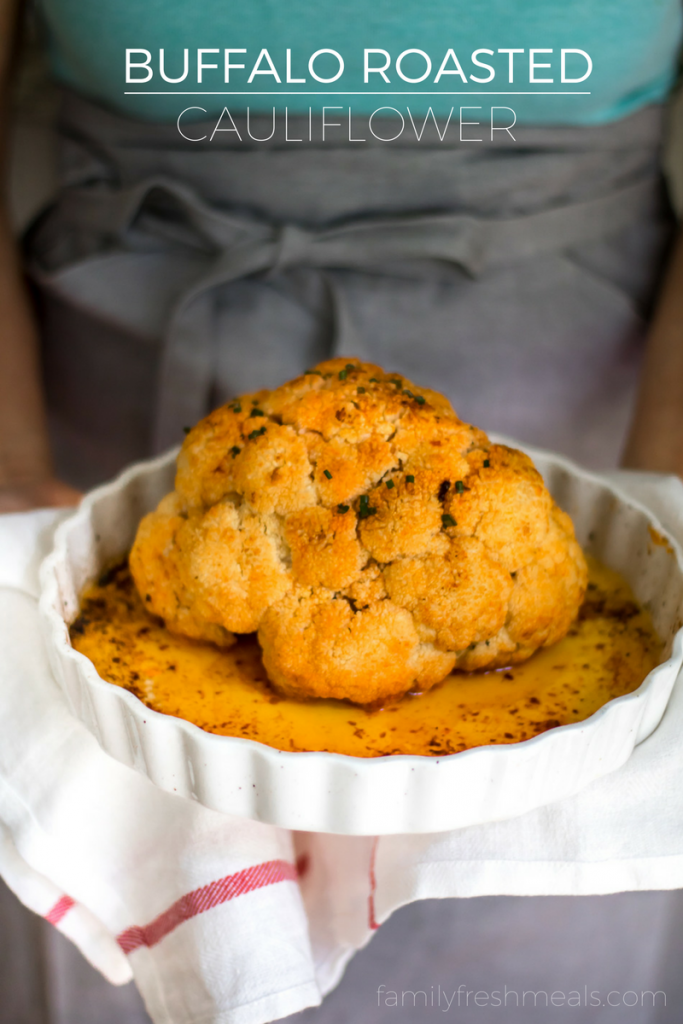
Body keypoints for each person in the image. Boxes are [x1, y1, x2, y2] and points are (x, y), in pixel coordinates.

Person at [0, 1, 683, 1022]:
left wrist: (664, 490)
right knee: (142, 927)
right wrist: (11, 478)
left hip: (586, 435)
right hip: (102, 437)